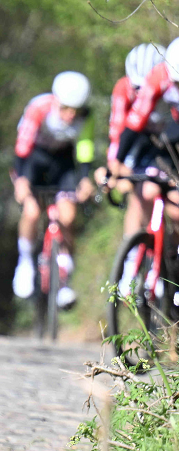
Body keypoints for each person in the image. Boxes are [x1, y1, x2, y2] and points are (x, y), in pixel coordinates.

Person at [12, 71, 96, 307]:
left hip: (63, 162)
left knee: (67, 216)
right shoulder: (39, 108)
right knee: (31, 212)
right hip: (33, 159)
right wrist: (21, 181)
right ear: (56, 100)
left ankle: (64, 279)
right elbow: (22, 147)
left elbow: (85, 148)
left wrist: (85, 178)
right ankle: (25, 261)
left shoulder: (86, 116)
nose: (71, 115)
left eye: (76, 110)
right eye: (66, 108)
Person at [102, 43, 166, 292]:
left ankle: (167, 257)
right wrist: (113, 168)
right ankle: (131, 263)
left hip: (165, 142)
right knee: (139, 192)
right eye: (137, 88)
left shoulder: (169, 87)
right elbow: (119, 131)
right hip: (139, 142)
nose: (142, 94)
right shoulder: (123, 88)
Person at [114, 38, 179, 275]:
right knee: (145, 192)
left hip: (171, 139)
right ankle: (132, 263)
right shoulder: (157, 78)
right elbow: (131, 125)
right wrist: (116, 164)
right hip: (150, 143)